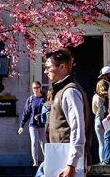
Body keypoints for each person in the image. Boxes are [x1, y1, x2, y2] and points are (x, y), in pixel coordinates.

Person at [37, 48, 89, 177]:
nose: (45, 71)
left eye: (48, 67)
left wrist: (71, 164)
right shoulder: (62, 90)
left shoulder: (70, 92)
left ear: (62, 67)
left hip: (64, 162)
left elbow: (78, 129)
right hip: (57, 158)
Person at [19, 81, 48, 166]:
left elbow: (49, 111)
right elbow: (26, 113)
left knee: (43, 143)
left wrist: (40, 116)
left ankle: (47, 161)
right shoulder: (30, 99)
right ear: (32, 89)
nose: (36, 89)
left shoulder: (44, 99)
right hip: (33, 125)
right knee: (34, 142)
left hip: (42, 125)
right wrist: (21, 126)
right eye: (34, 88)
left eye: (38, 87)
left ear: (40, 88)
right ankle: (35, 163)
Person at [93, 67, 110, 165]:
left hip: (98, 119)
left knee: (101, 143)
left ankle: (103, 161)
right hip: (108, 119)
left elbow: (94, 110)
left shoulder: (96, 96)